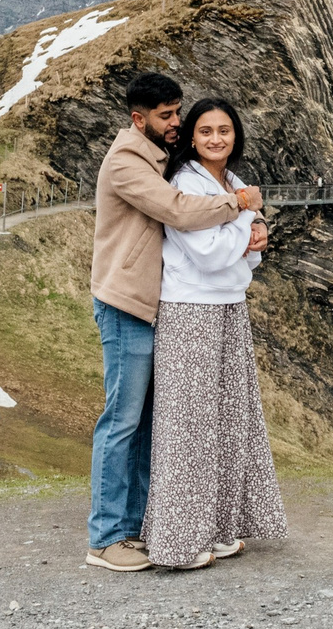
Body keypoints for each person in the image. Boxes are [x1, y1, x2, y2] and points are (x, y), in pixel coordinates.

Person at [86, 72, 266, 572]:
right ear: (137, 119)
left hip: (153, 302)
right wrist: (243, 205)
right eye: (166, 115)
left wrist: (254, 223)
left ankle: (143, 527)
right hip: (127, 302)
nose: (177, 122)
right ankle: (105, 538)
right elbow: (179, 211)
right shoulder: (127, 162)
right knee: (121, 422)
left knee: (147, 422)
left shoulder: (161, 158)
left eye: (177, 112)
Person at [142, 97, 288, 570]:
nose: (216, 139)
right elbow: (207, 252)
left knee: (227, 422)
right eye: (205, 131)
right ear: (191, 137)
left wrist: (250, 230)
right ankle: (180, 543)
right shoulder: (186, 183)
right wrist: (249, 223)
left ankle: (220, 529)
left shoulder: (234, 183)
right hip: (190, 310)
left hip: (229, 307)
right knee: (189, 427)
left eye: (224, 130)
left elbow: (250, 254)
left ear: (235, 135)